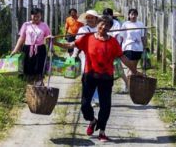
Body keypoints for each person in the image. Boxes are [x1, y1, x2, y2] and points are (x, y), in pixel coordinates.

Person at [55, 14, 139, 142]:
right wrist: (54, 42)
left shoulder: (113, 42)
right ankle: (92, 120)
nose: (104, 27)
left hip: (106, 77)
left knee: (105, 105)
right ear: (98, 24)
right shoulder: (87, 38)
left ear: (110, 28)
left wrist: (135, 71)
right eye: (102, 24)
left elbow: (123, 58)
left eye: (107, 25)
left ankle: (102, 131)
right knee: (84, 104)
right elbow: (71, 45)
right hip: (90, 75)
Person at [10, 7, 51, 85]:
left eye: (38, 16)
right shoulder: (26, 25)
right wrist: (15, 49)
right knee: (28, 69)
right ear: (31, 15)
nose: (36, 18)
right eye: (34, 16)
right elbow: (21, 38)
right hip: (27, 49)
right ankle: (29, 88)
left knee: (39, 70)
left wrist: (52, 47)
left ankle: (39, 88)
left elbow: (48, 38)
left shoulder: (44, 25)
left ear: (41, 16)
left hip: (40, 50)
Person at [119, 8, 147, 92]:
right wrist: (119, 47)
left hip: (138, 48)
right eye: (132, 14)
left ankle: (131, 85)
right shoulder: (125, 24)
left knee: (133, 67)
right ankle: (127, 86)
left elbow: (142, 36)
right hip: (128, 47)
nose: (133, 16)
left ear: (137, 15)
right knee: (130, 68)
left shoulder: (140, 24)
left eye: (135, 14)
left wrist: (145, 46)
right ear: (129, 15)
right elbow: (121, 37)